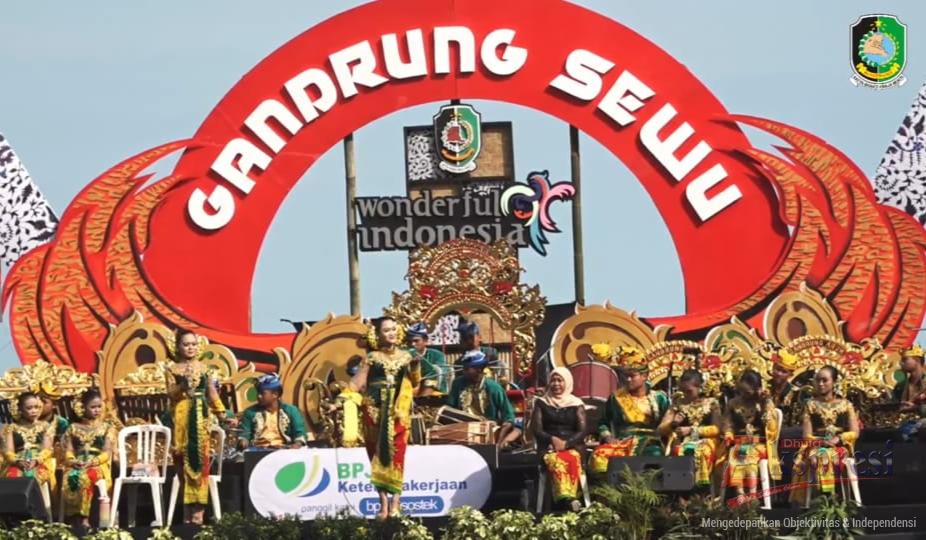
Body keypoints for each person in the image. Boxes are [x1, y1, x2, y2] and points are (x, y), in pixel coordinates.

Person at [350, 317, 421, 520]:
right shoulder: (372, 357)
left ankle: (396, 503)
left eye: (393, 329)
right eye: (386, 330)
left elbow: (415, 383)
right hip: (374, 412)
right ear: (378, 335)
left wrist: (415, 366)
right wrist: (343, 397)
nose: (391, 333)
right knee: (377, 457)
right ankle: (383, 504)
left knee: (398, 456)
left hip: (398, 413)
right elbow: (358, 382)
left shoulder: (407, 356)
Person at [164, 329, 227, 525]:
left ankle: (198, 513)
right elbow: (170, 393)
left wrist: (222, 413)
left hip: (200, 421)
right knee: (182, 466)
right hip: (181, 421)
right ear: (178, 347)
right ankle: (186, 514)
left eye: (193, 344)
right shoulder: (172, 369)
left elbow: (212, 393)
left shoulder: (205, 369)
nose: (190, 348)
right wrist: (182, 387)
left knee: (200, 465)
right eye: (186, 344)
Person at [589, 347, 669, 475]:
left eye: (632, 376)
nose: (628, 380)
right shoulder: (616, 398)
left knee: (655, 454)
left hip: (651, 442)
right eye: (626, 376)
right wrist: (608, 437)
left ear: (644, 376)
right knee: (599, 455)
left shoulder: (659, 397)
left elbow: (667, 423)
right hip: (623, 442)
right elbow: (603, 423)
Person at [789, 365, 860, 504]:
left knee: (828, 456)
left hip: (839, 447)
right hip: (817, 445)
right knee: (817, 457)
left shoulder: (846, 405)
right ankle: (821, 498)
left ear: (834, 382)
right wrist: (821, 441)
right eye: (818, 380)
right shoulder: (811, 405)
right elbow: (807, 435)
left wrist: (839, 438)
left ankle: (831, 498)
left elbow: (855, 432)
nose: (821, 384)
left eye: (825, 380)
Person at [721, 369, 782, 504]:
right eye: (741, 391)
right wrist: (728, 434)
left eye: (747, 392)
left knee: (748, 454)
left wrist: (764, 403)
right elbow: (727, 423)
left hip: (758, 444)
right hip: (739, 443)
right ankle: (740, 493)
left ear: (757, 389)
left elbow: (771, 426)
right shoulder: (733, 403)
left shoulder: (764, 403)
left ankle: (752, 493)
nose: (744, 395)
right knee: (736, 453)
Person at [531, 367, 587, 511]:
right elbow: (536, 429)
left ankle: (570, 499)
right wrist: (552, 439)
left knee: (571, 458)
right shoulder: (541, 402)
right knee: (556, 460)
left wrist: (566, 443)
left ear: (567, 382)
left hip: (572, 445)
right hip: (549, 446)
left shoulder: (576, 403)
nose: (556, 384)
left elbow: (582, 431)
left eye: (560, 380)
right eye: (553, 380)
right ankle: (568, 500)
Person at [657, 369, 722, 488]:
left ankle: (701, 490)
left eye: (689, 391)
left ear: (700, 387)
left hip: (707, 441)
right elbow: (661, 429)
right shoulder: (678, 403)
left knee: (702, 451)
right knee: (678, 450)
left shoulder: (712, 403)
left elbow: (717, 429)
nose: (685, 394)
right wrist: (673, 424)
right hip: (683, 441)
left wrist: (693, 430)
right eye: (683, 391)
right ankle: (681, 490)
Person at [62, 388, 115, 528]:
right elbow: (69, 450)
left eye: (99, 406)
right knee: (71, 477)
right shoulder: (73, 428)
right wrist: (73, 461)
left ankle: (85, 518)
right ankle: (74, 518)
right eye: (93, 407)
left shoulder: (107, 427)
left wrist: (93, 462)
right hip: (78, 463)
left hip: (98, 464)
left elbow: (107, 452)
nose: (97, 410)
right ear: (83, 408)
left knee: (86, 476)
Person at [448, 350, 521, 448]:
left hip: (487, 432)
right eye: (464, 368)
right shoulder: (457, 383)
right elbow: (449, 409)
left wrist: (498, 442)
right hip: (461, 430)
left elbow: (509, 417)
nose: (464, 371)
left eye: (467, 368)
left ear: (479, 369)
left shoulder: (494, 387)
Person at [1, 392, 54, 507]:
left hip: (39, 461)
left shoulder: (46, 426)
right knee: (13, 476)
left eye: (36, 407)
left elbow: (47, 449)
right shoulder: (11, 428)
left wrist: (37, 460)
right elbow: (8, 451)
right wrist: (17, 461)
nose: (34, 411)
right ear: (20, 409)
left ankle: (39, 512)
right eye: (29, 408)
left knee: (37, 476)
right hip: (19, 461)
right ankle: (17, 512)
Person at [238, 375, 307, 450]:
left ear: (275, 394)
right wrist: (243, 441)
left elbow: (300, 433)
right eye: (258, 393)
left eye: (262, 393)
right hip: (258, 451)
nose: (259, 396)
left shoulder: (291, 410)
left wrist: (297, 444)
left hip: (284, 450)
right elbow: (244, 434)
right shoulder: (250, 412)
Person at [893, 345, 926, 440]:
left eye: (905, 359)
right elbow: (893, 404)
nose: (901, 363)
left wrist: (916, 408)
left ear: (917, 360)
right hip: (902, 424)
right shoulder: (900, 386)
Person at [407, 322, 449, 395]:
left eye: (416, 341)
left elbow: (438, 374)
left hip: (433, 392)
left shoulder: (437, 355)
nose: (412, 344)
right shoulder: (406, 354)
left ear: (425, 341)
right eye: (410, 341)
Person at [769, 349, 806, 426]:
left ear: (790, 375)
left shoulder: (796, 394)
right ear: (773, 368)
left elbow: (796, 422)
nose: (779, 374)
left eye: (784, 372)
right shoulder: (763, 386)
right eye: (777, 369)